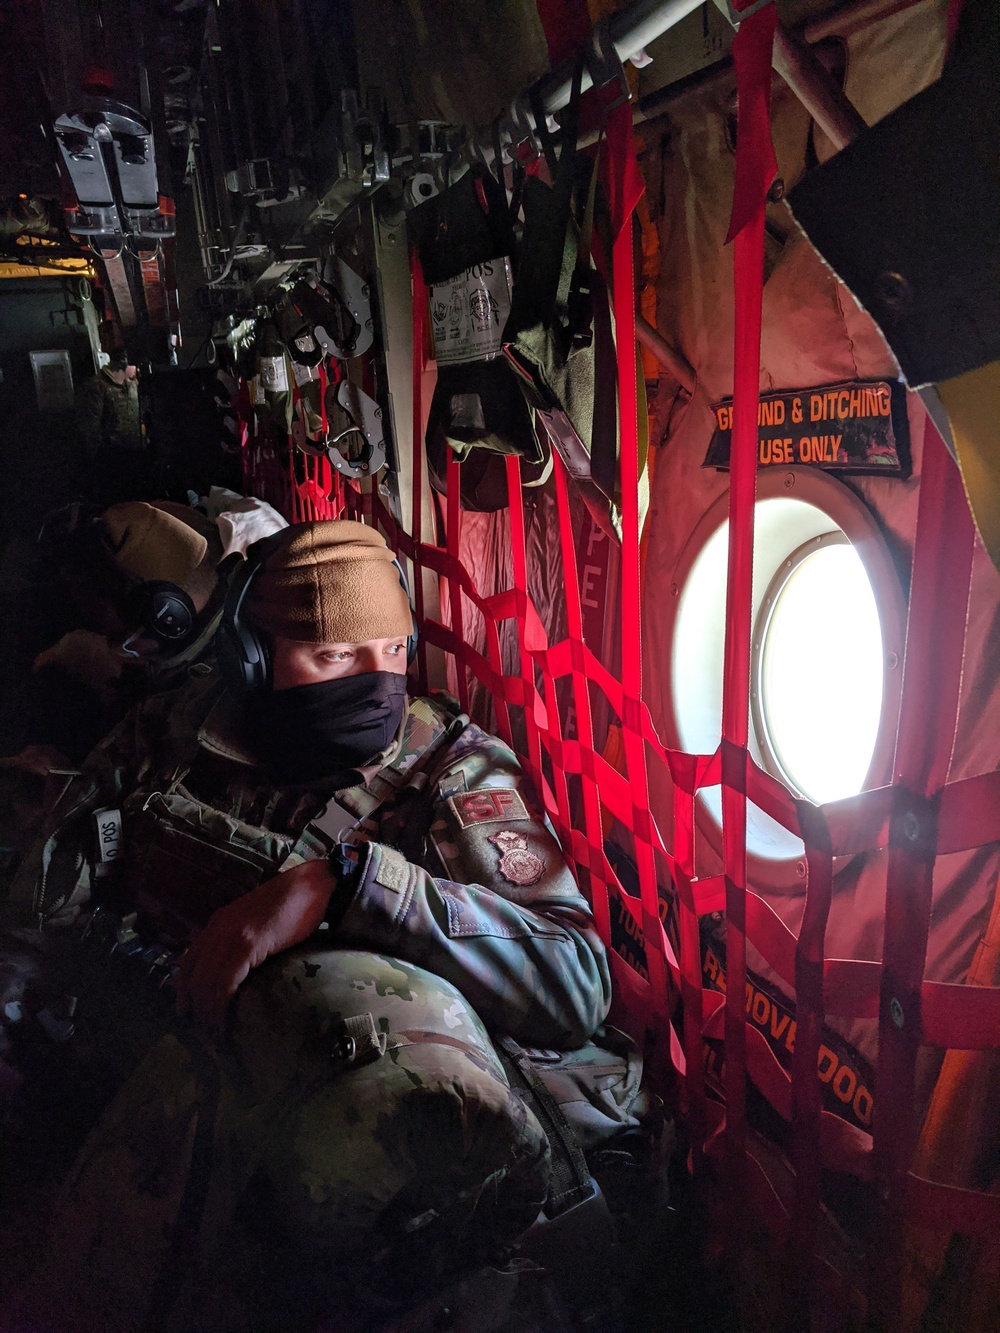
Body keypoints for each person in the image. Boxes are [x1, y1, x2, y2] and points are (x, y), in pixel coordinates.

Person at [3, 519, 614, 1330]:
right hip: (169, 1099)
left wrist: (350, 886)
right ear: (255, 657)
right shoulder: (174, 733)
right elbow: (39, 915)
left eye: (393, 651)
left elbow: (576, 979)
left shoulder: (447, 770)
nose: (375, 681)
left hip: (363, 1168)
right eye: (333, 656)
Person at [74, 349, 143, 503]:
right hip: (111, 463)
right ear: (123, 363)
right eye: (135, 365)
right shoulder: (95, 387)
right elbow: (90, 429)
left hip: (134, 456)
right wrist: (101, 461)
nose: (138, 369)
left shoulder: (132, 384)